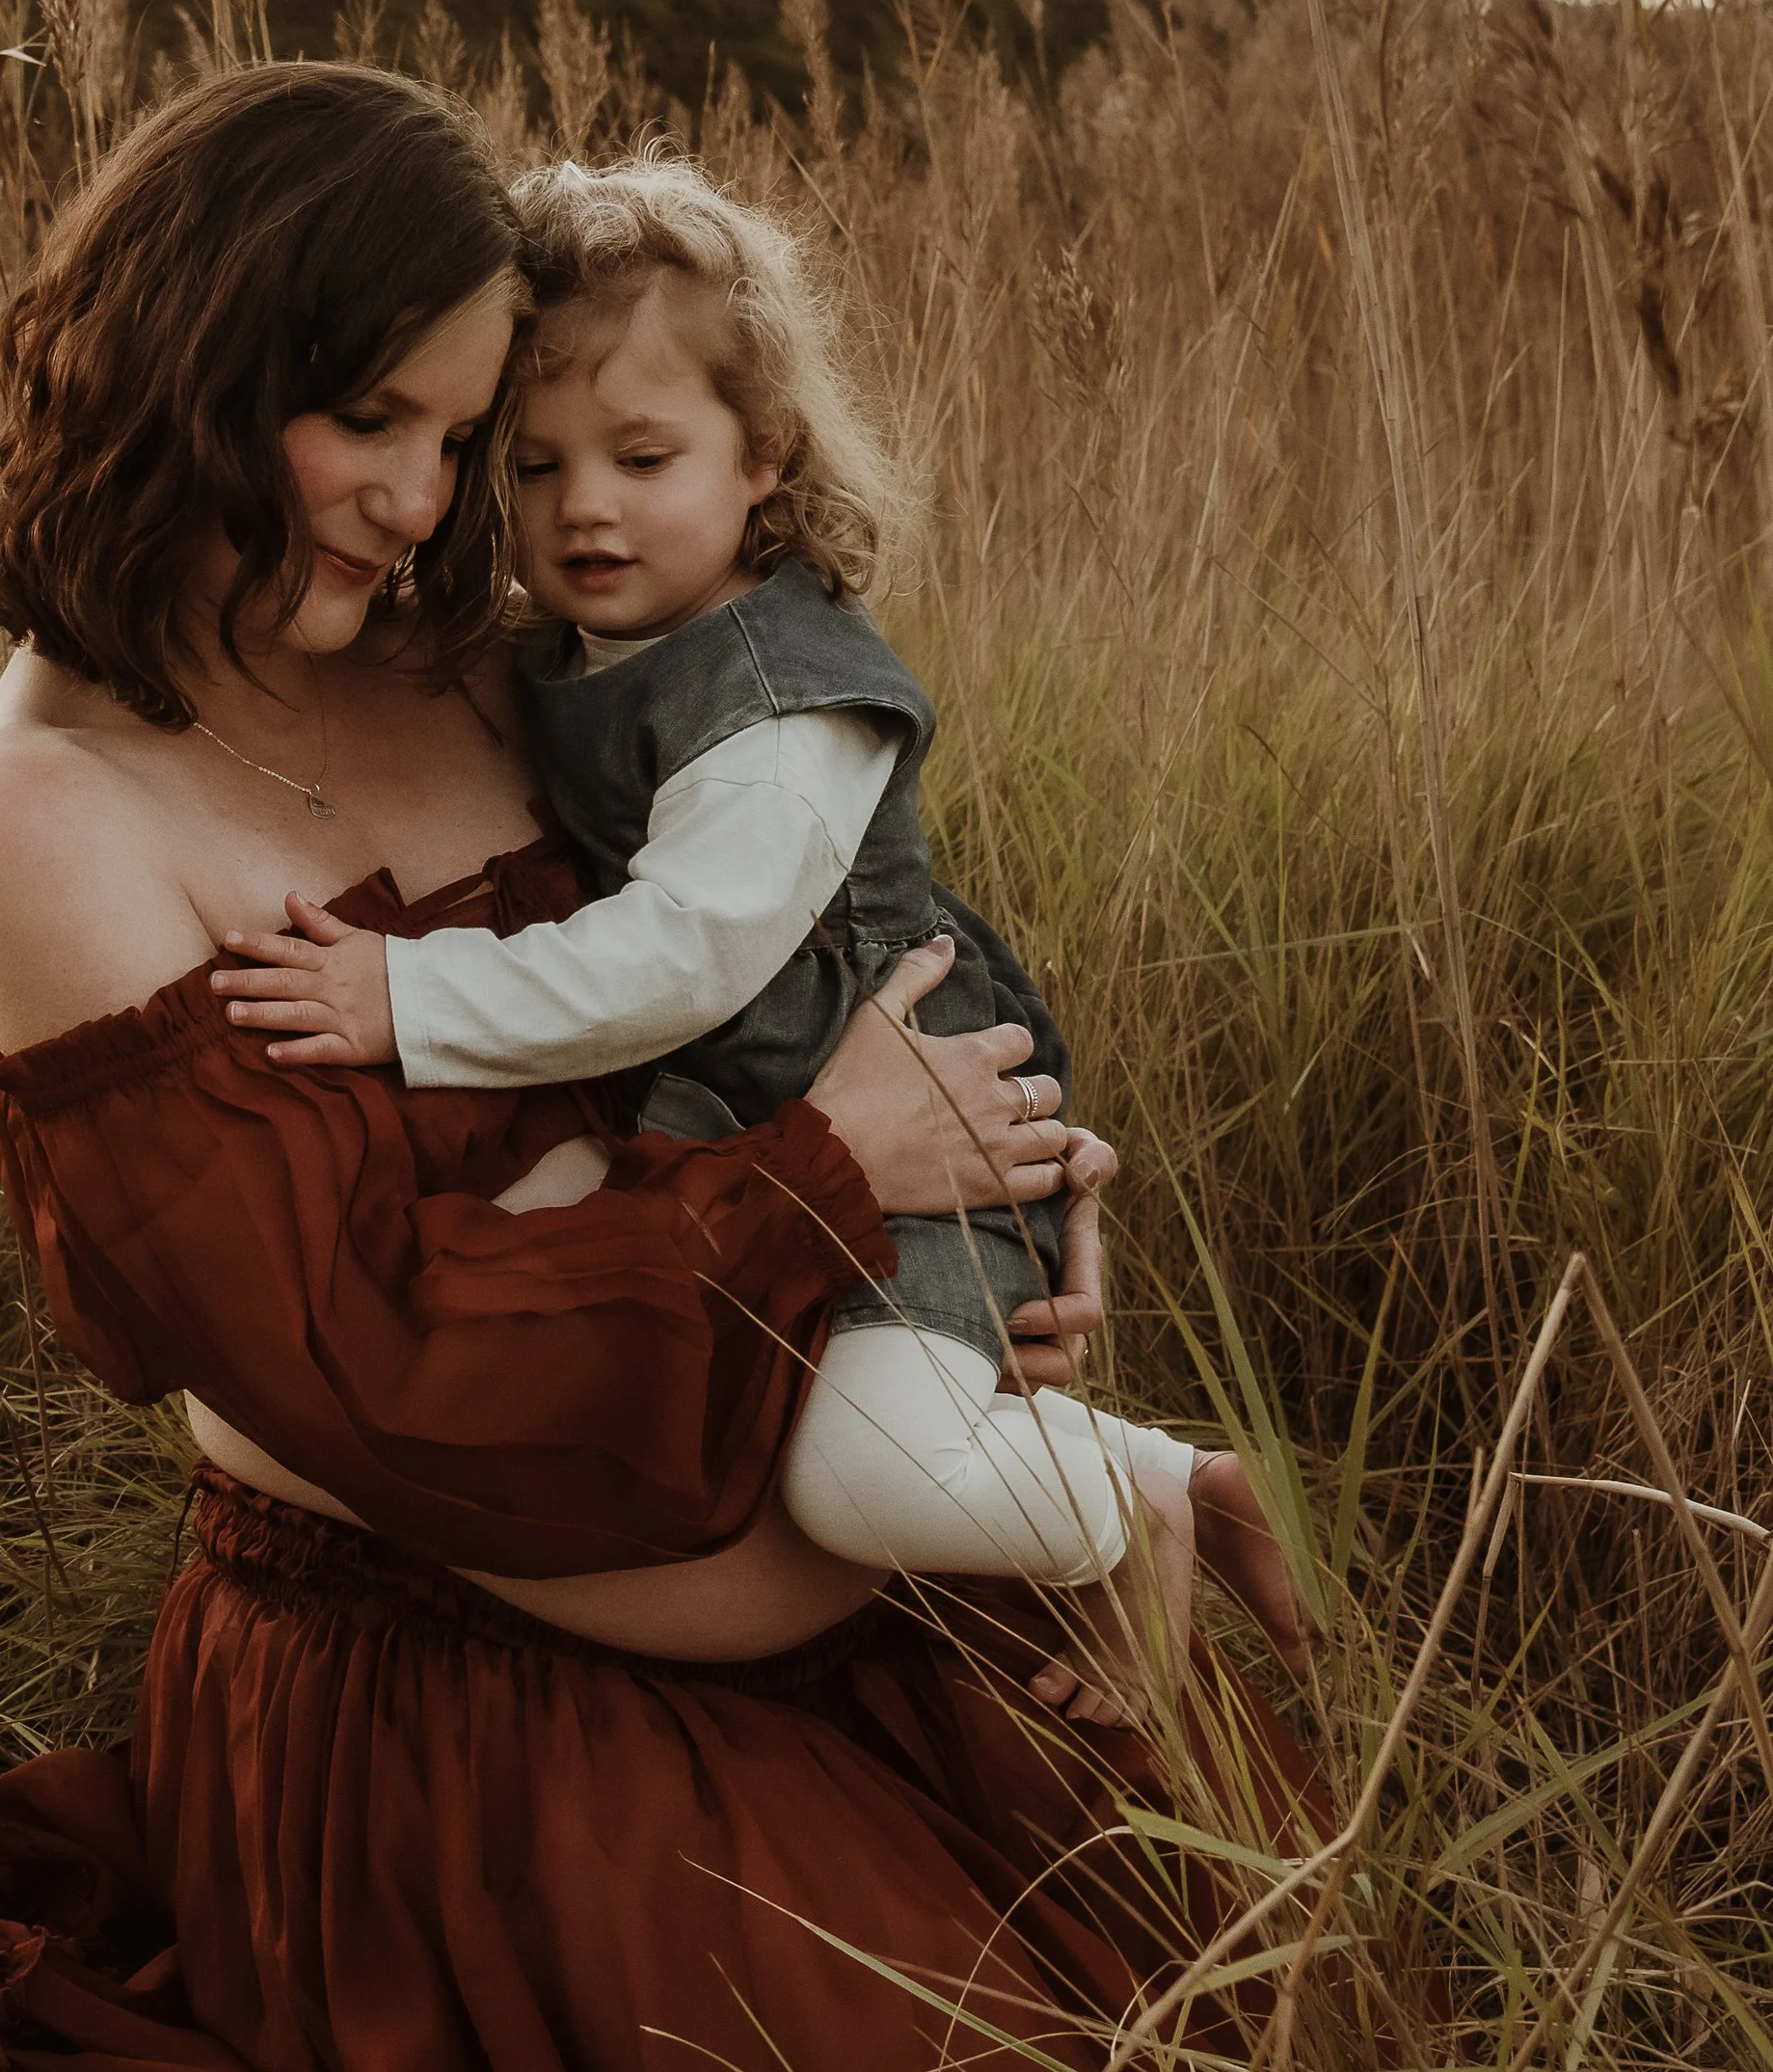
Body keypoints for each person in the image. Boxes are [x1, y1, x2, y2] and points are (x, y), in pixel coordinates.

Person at [0, 64, 1314, 2072]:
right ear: (192, 364)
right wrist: (834, 1182)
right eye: (371, 419)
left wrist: (996, 1200)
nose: (419, 497)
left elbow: (772, 967)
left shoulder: (474, 645)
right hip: (458, 1682)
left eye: (458, 435)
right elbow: (366, 1368)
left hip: (810, 1502)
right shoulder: (34, 823)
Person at [207, 154, 1305, 1709]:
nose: (584, 505)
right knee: (639, 1327)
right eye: (532, 464)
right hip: (755, 1132)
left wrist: (409, 993)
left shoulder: (783, 708)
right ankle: (1174, 1475)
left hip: (906, 1148)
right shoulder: (592, 641)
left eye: (643, 455)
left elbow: (688, 955)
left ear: (765, 453)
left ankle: (1126, 1518)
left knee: (856, 1479)